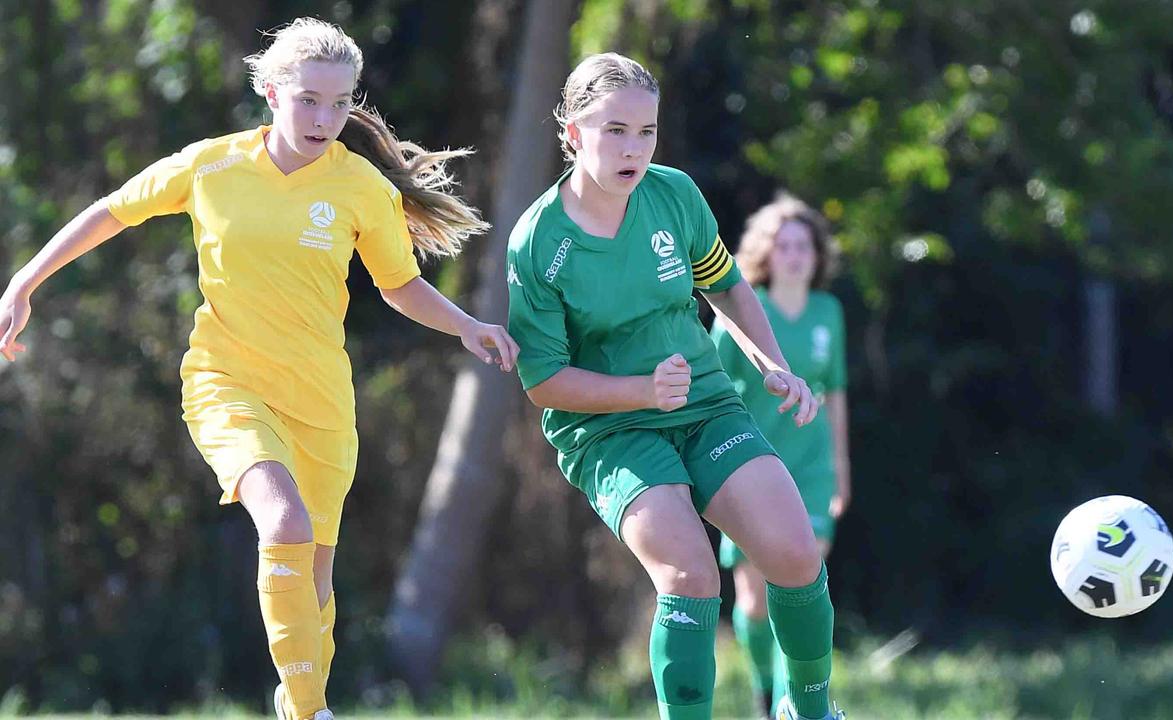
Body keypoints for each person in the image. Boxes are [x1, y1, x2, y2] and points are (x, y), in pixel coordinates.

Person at [0, 18, 517, 720]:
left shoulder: (362, 188)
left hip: (322, 402)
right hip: (226, 382)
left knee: (316, 583)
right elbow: (112, 212)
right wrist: (24, 283)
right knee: (283, 525)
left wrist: (466, 326)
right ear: (271, 92)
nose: (325, 119)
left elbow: (398, 284)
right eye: (309, 100)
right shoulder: (211, 165)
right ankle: (309, 713)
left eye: (339, 104)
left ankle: (298, 699)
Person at [505, 52, 842, 720]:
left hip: (706, 406)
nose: (634, 148)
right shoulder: (539, 241)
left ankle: (811, 711)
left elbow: (726, 286)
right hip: (608, 430)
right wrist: (639, 392)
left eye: (646, 131)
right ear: (573, 133)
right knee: (689, 575)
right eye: (614, 131)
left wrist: (772, 364)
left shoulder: (674, 195)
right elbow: (543, 381)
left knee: (795, 553)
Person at [711, 194, 850, 718]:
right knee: (752, 601)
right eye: (784, 246)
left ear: (817, 256)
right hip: (747, 468)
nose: (794, 255)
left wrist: (842, 469)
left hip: (812, 471)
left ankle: (804, 702)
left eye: (803, 246)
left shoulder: (828, 313)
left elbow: (834, 392)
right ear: (766, 254)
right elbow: (712, 387)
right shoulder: (741, 313)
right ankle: (767, 696)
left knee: (800, 584)